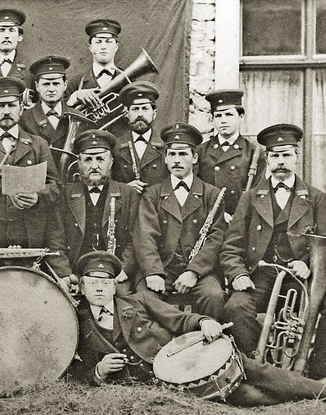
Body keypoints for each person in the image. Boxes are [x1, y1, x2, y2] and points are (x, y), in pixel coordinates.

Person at [68, 251, 326, 406]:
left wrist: (204, 322)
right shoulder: (75, 321)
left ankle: (318, 390)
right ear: (82, 287)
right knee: (244, 395)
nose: (99, 288)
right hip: (162, 383)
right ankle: (301, 395)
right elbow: (72, 370)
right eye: (92, 283)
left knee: (250, 368)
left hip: (186, 360)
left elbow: (178, 319)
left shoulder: (138, 301)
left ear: (114, 286)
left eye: (105, 283)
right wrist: (98, 372)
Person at [221, 124, 326, 375]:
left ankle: (316, 371)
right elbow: (230, 246)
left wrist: (308, 264)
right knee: (235, 307)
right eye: (275, 156)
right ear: (267, 159)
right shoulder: (250, 197)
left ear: (297, 157)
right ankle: (257, 368)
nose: (281, 161)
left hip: (304, 278)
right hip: (260, 274)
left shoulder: (316, 197)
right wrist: (238, 274)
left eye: (286, 155)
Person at [0, 77, 71, 288]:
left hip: (28, 237)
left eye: (11, 105)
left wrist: (37, 197)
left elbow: (55, 187)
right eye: (0, 106)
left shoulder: (38, 145)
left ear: (21, 108)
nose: (6, 111)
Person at [133, 123, 227, 319]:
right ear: (165, 158)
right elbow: (145, 235)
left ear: (194, 157)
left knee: (214, 296)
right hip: (162, 268)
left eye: (183, 154)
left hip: (198, 271)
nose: (177, 160)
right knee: (143, 298)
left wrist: (194, 272)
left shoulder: (211, 194)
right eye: (172, 154)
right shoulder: (153, 193)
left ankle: (211, 345)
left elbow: (216, 239)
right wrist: (153, 272)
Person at [63, 129, 140, 296]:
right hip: (76, 272)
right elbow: (55, 240)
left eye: (100, 159)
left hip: (114, 272)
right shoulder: (65, 194)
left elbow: (136, 239)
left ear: (111, 162)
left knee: (123, 304)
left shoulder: (128, 194)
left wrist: (123, 271)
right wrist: (65, 274)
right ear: (79, 163)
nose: (94, 166)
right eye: (88, 160)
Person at [197, 89, 266, 219]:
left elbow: (259, 192)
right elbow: (196, 191)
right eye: (218, 116)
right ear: (211, 119)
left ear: (240, 117)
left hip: (242, 220)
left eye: (229, 115)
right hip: (209, 218)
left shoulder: (254, 152)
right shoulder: (201, 151)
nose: (223, 121)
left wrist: (240, 215)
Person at [20, 55, 89, 177]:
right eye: (46, 84)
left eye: (56, 83)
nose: (51, 89)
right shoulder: (23, 120)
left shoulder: (79, 117)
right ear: (37, 86)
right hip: (39, 187)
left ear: (65, 85)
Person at [65, 19, 125, 134]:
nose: (103, 47)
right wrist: (73, 97)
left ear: (116, 47)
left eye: (108, 42)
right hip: (86, 147)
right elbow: (60, 117)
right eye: (98, 42)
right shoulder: (77, 82)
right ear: (91, 47)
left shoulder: (129, 82)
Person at [112, 81, 165, 193]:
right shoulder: (115, 147)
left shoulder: (166, 146)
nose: (140, 114)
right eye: (135, 109)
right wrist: (125, 189)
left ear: (154, 113)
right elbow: (107, 185)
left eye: (145, 109)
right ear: (127, 114)